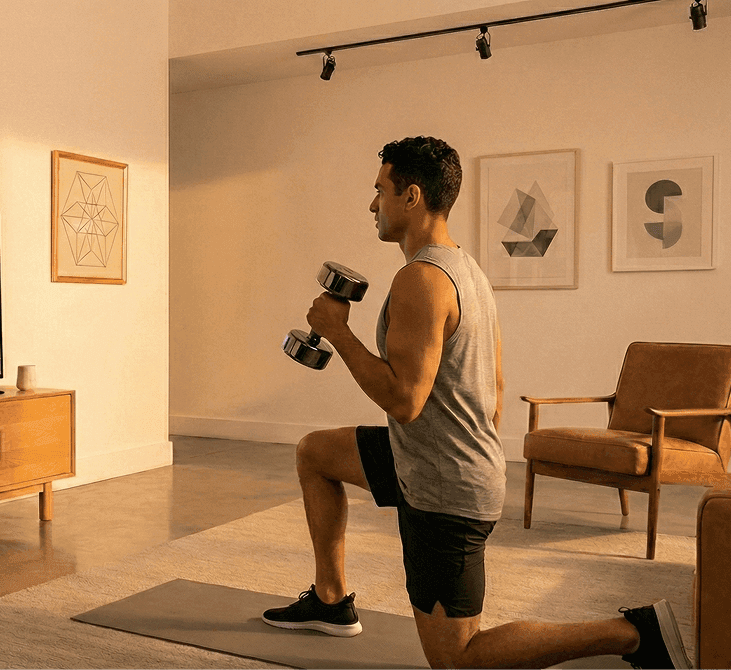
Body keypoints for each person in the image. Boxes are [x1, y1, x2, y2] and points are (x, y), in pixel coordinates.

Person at [261, 136, 690, 670]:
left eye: (380, 191)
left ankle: (630, 633)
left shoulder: (420, 279)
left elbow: (405, 401)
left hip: (446, 486)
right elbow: (498, 388)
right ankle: (331, 599)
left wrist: (338, 334)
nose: (372, 205)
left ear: (411, 196)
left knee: (458, 660)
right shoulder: (468, 271)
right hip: (424, 458)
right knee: (315, 453)